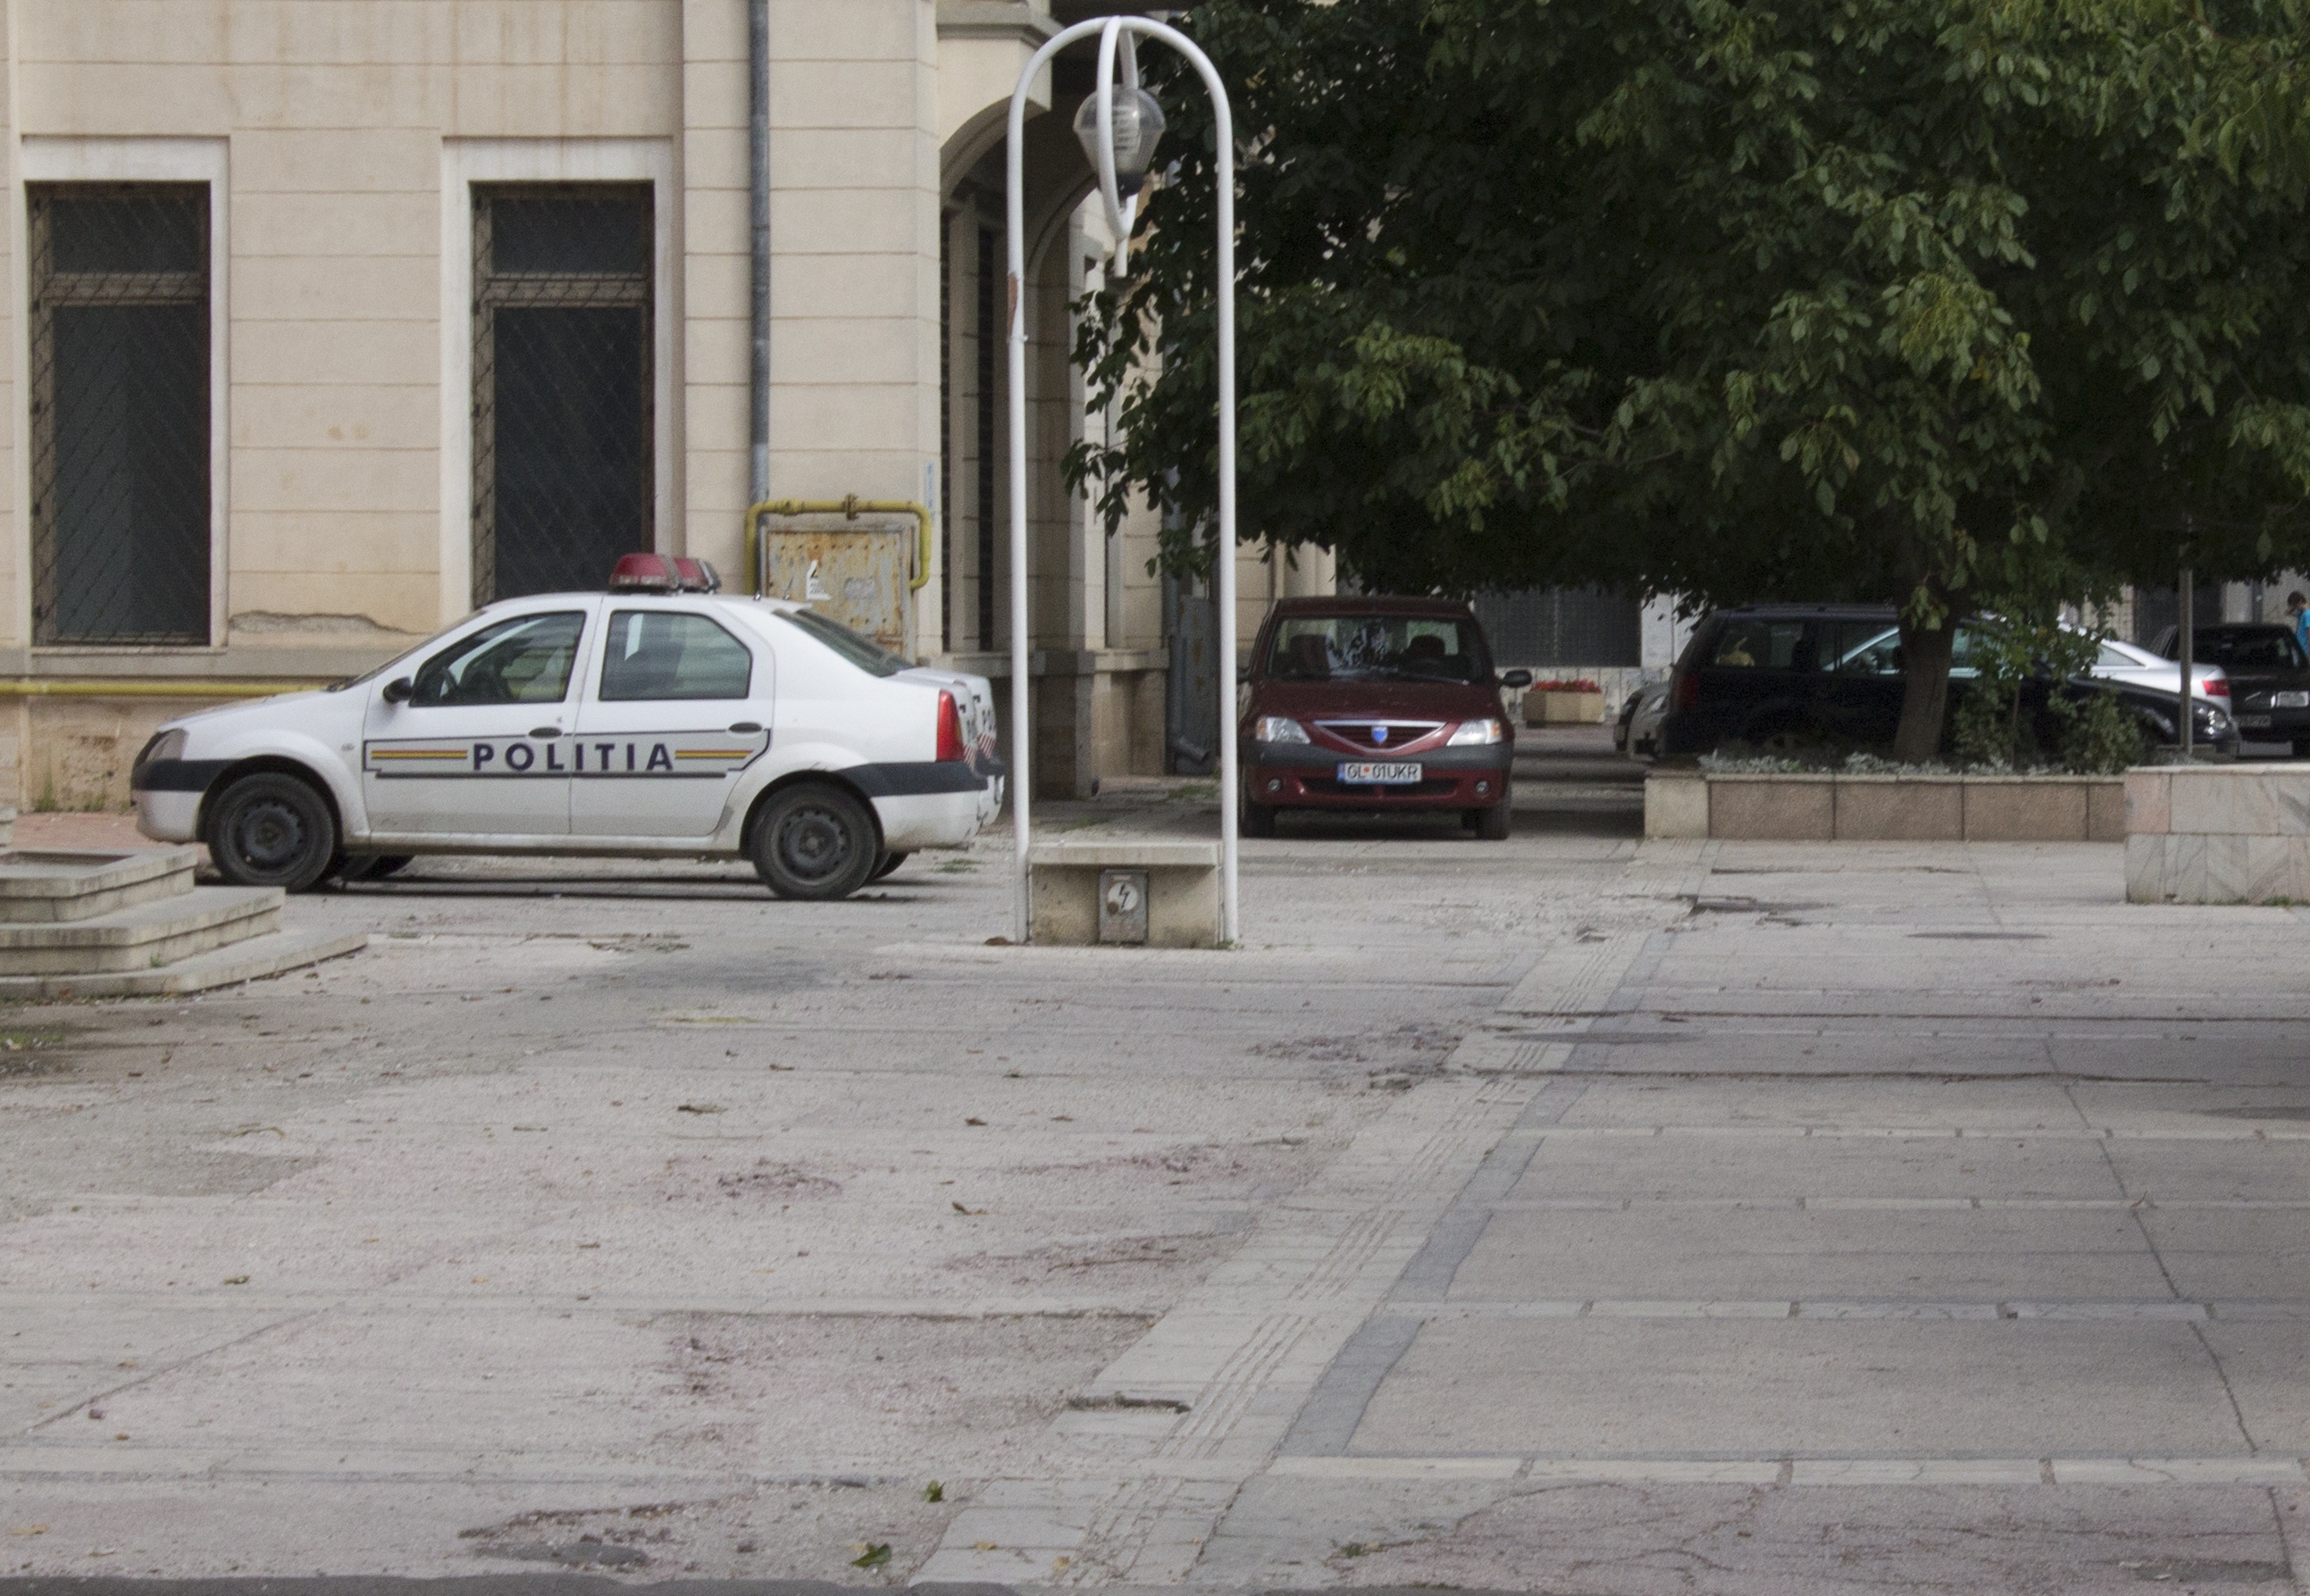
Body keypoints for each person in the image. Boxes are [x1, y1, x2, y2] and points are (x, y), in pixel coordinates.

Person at [2289, 591, 2309, 655]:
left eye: (2295, 605)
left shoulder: (2307, 614)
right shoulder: (2301, 613)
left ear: (2300, 602)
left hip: (2304, 650)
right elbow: (2287, 613)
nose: (2295, 608)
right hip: (2299, 648)